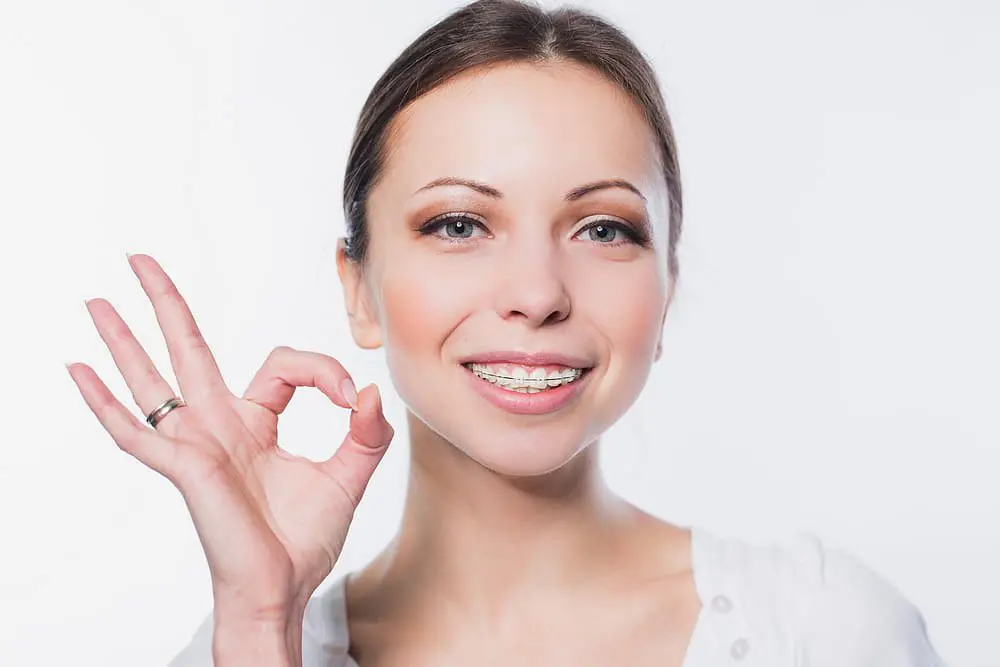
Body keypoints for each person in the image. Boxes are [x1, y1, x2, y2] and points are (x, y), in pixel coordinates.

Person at [66, 1, 947, 665]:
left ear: (666, 289)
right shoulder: (242, 644)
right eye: (457, 224)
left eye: (605, 228)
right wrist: (261, 622)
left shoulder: (827, 630)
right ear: (359, 289)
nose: (536, 294)